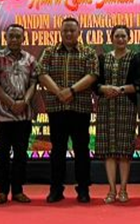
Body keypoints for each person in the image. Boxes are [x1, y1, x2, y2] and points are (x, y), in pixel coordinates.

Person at [37, 17, 99, 203]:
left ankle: (83, 189)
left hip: (80, 108)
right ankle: (56, 189)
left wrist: (71, 90)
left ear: (79, 32)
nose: (69, 34)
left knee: (82, 150)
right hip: (57, 108)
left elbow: (92, 75)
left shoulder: (88, 52)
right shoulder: (49, 51)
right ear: (60, 32)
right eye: (65, 31)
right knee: (57, 150)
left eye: (72, 30)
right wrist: (59, 92)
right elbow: (41, 73)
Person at [0, 24, 39, 204]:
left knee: (21, 154)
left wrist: (24, 101)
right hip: (1, 116)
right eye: (11, 36)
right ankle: (2, 190)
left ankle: (18, 190)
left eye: (18, 36)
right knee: (2, 154)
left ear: (24, 38)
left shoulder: (30, 59)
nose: (15, 39)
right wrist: (11, 103)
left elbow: (34, 83)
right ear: (6, 38)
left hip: (23, 115)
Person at [95, 25, 140, 204]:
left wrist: (120, 89)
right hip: (106, 107)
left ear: (129, 38)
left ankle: (123, 189)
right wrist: (104, 88)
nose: (120, 39)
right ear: (111, 38)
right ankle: (111, 190)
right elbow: (95, 84)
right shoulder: (102, 58)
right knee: (109, 151)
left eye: (123, 36)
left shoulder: (136, 58)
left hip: (126, 106)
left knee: (124, 151)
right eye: (117, 36)